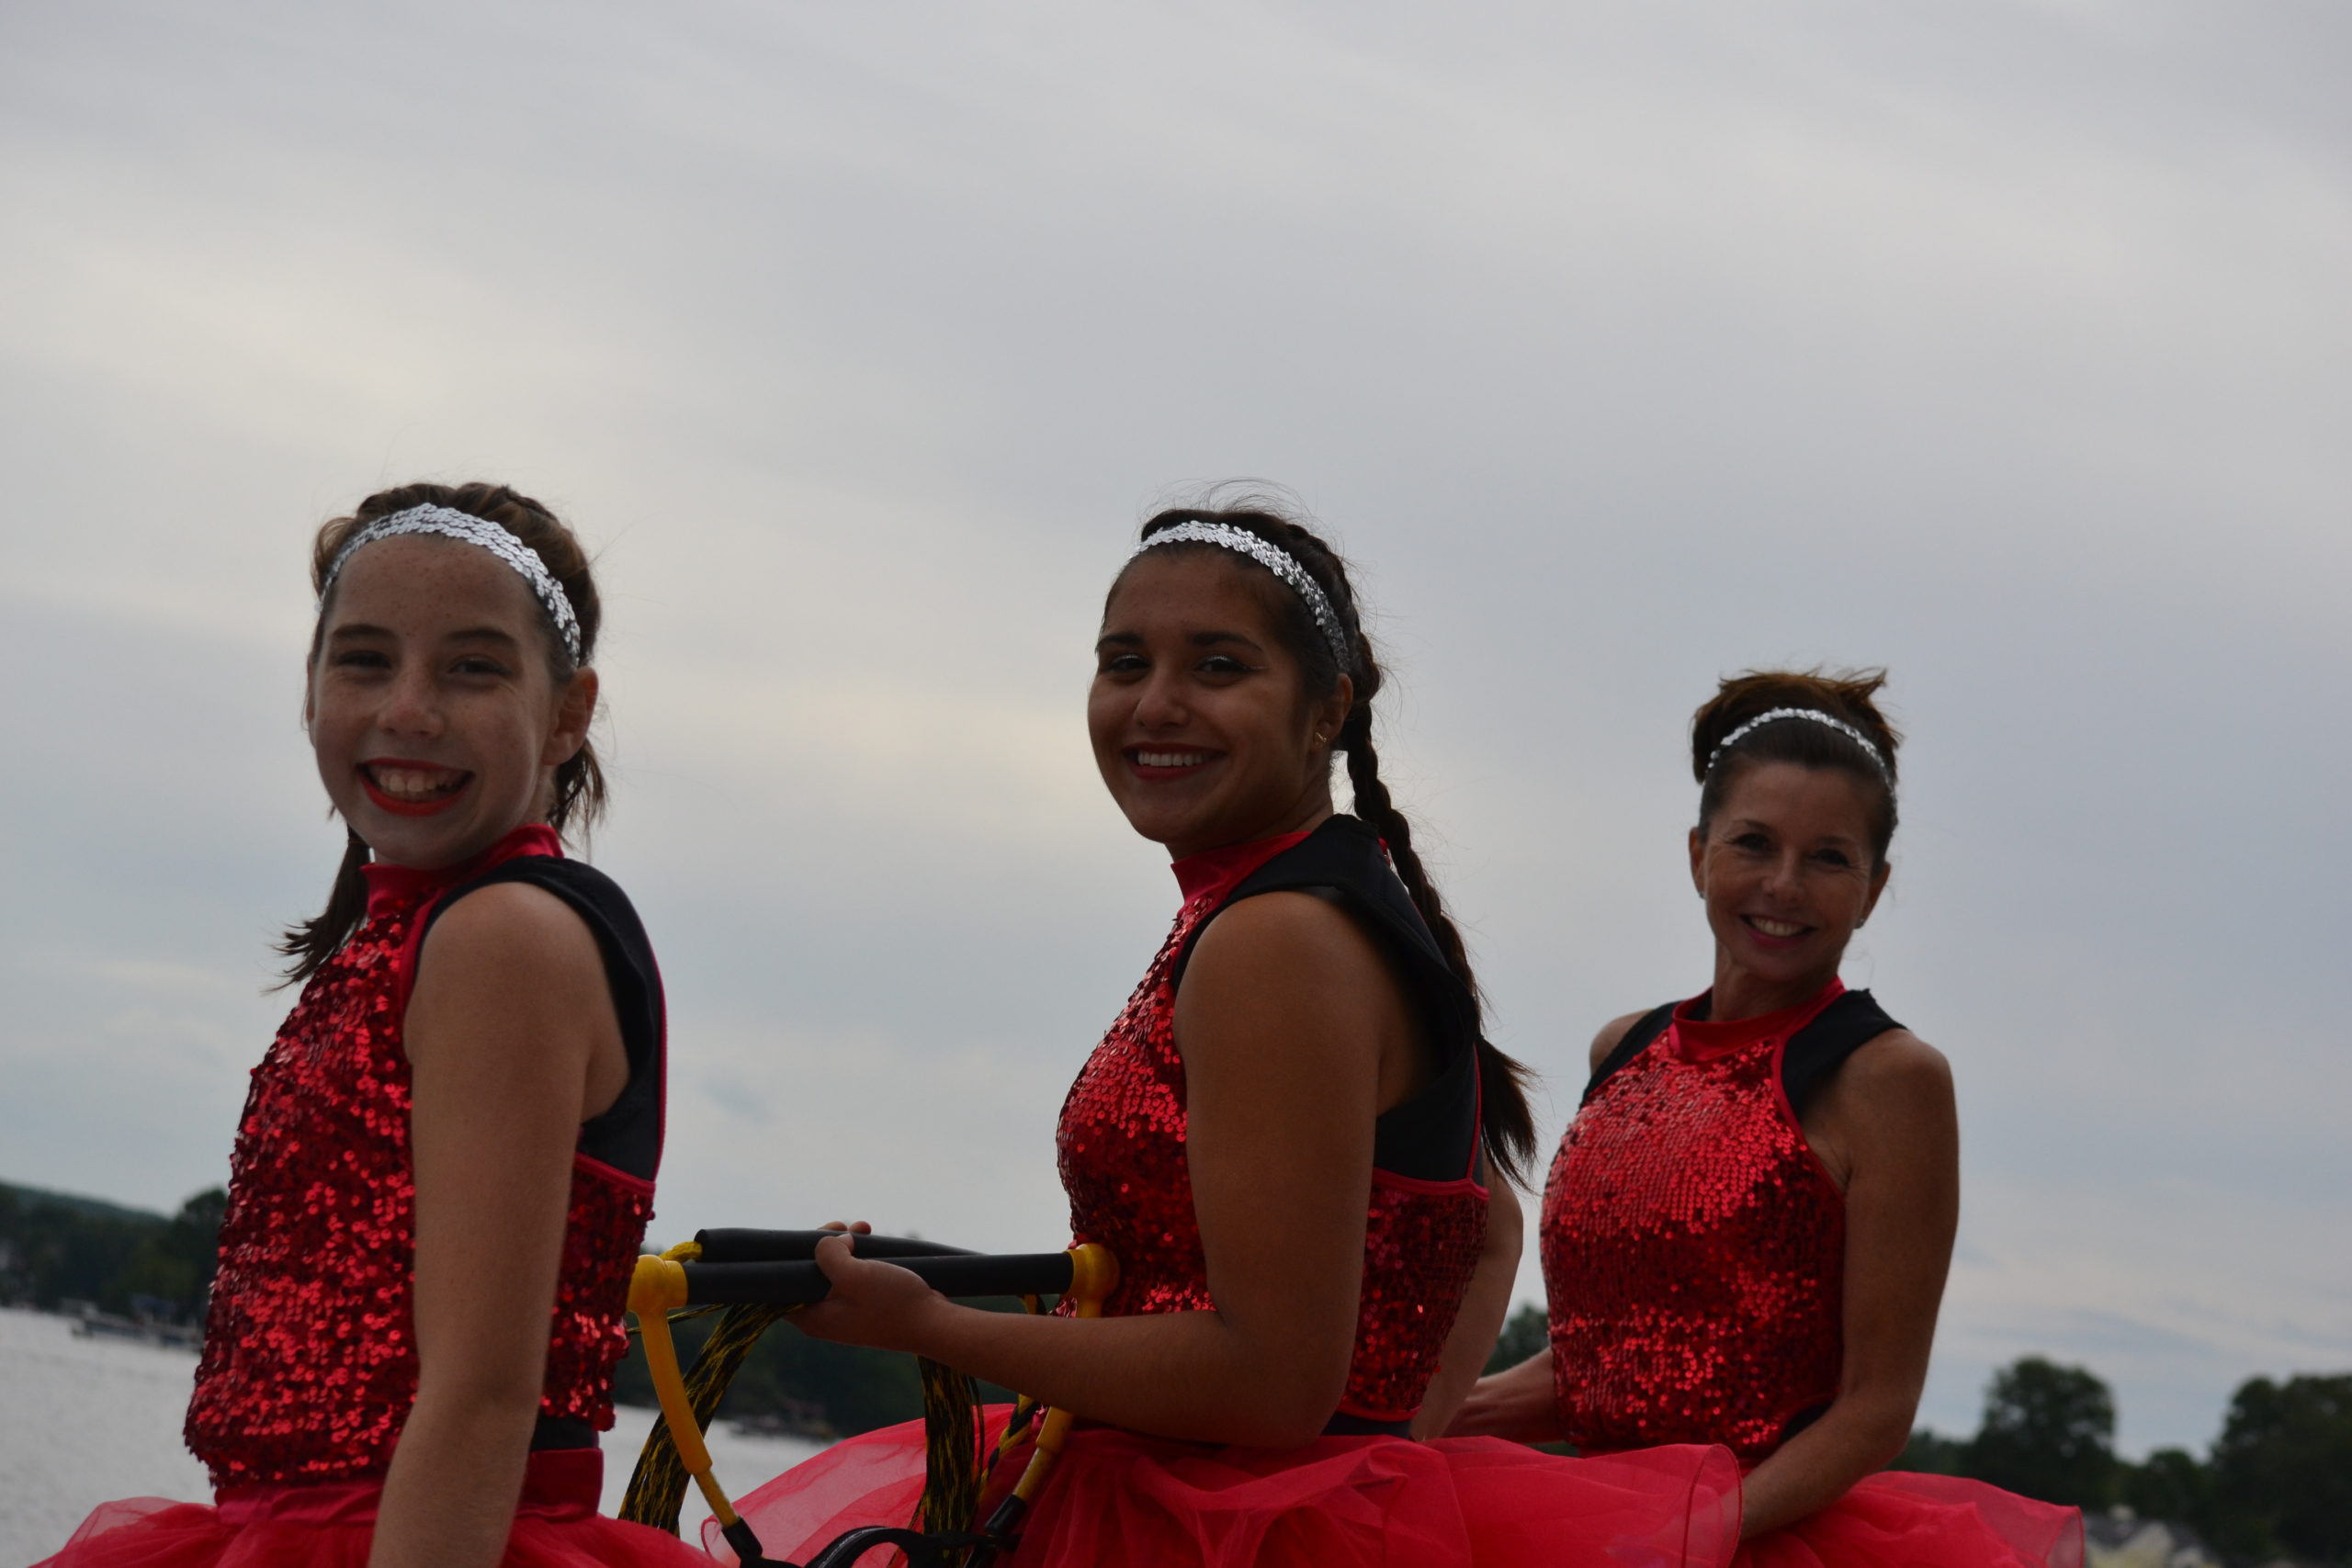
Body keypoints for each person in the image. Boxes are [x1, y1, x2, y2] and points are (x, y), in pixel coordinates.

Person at [724, 503, 1739, 1568]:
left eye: (1217, 667)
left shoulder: (1275, 941)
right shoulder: (1317, 908)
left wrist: (930, 1328)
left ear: (1323, 713)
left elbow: (1270, 1379)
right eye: (1124, 663)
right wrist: (1389, 1456)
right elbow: (1481, 1228)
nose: (1156, 705)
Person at [39, 485, 708, 1568]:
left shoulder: (503, 938)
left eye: (472, 667)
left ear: (571, 711)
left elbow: (483, 1396)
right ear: (308, 691)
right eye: (362, 660)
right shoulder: (415, 930)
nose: (408, 708)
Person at [1444, 671, 2083, 1568]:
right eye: (1754, 844)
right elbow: (1607, 1367)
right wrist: (1420, 1420)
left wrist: (1684, 1542)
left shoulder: (1891, 1081)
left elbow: (1873, 1411)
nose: (1783, 886)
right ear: (1698, 852)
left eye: (1828, 857)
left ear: (1875, 884)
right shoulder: (1621, 1050)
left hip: (1757, 1537)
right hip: (1601, 1523)